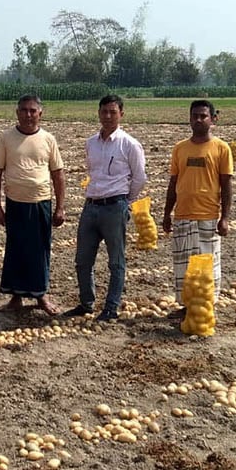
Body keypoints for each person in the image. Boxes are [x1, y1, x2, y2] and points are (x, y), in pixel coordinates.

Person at [64, 94, 147, 322]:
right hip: (90, 206)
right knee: (83, 259)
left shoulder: (129, 144)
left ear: (121, 114)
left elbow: (139, 178)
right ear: (98, 113)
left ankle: (111, 307)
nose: (108, 116)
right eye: (104, 112)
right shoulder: (90, 143)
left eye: (113, 112)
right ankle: (86, 303)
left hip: (114, 207)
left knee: (116, 261)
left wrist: (125, 202)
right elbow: (92, 173)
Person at [0, 94, 65, 315]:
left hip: (41, 202)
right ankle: (16, 296)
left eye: (33, 111)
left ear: (40, 114)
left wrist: (60, 207)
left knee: (40, 250)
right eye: (24, 110)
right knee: (16, 248)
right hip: (15, 203)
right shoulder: (6, 138)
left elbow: (58, 174)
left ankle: (41, 294)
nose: (28, 115)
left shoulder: (48, 139)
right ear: (17, 113)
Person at [161, 100, 233, 320]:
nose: (199, 120)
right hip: (183, 215)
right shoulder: (180, 148)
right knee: (184, 266)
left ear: (213, 119)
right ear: (189, 118)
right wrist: (166, 214)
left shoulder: (221, 148)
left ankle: (205, 307)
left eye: (203, 116)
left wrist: (225, 218)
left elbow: (226, 185)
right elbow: (173, 184)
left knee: (207, 266)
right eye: (195, 116)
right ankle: (185, 306)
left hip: (208, 217)